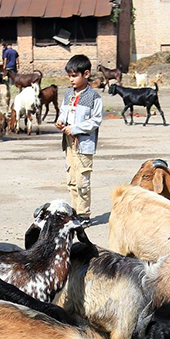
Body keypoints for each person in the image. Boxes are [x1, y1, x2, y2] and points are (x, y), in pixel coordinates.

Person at [55, 54, 102, 219]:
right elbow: (63, 112)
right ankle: (75, 212)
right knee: (71, 179)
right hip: (68, 143)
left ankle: (83, 214)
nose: (71, 79)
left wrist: (75, 129)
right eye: (69, 75)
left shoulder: (94, 97)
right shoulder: (69, 94)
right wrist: (61, 121)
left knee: (82, 180)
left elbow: (96, 121)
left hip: (83, 144)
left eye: (75, 75)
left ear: (86, 74)